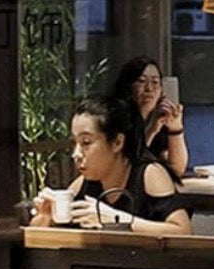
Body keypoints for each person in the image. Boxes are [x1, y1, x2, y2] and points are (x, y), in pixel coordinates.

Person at [30, 96, 191, 236]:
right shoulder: (85, 181)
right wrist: (45, 216)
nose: (76, 154)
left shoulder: (149, 173)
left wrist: (118, 220)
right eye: (74, 143)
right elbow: (37, 237)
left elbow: (183, 231)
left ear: (117, 142)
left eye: (86, 143)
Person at [111, 56, 188, 177]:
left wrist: (176, 128)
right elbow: (125, 166)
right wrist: (152, 130)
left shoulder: (161, 117)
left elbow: (177, 169)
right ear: (128, 86)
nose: (149, 88)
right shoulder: (116, 117)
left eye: (155, 82)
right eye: (142, 81)